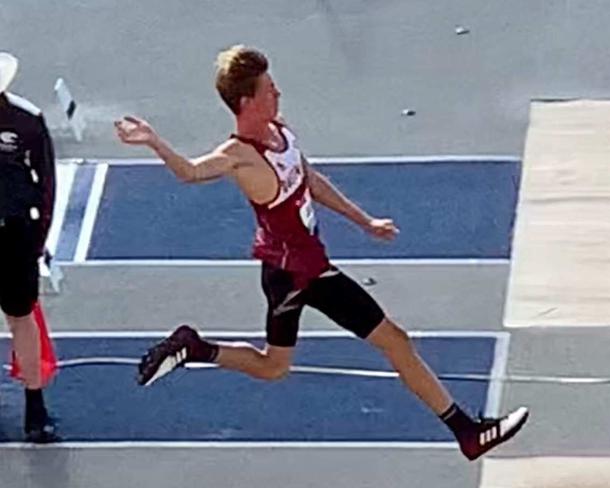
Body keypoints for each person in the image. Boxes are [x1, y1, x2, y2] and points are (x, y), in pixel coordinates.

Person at [114, 45, 528, 460]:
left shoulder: (280, 131)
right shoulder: (238, 156)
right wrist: (154, 141)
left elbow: (307, 179)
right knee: (394, 341)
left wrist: (363, 220)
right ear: (246, 101)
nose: (278, 95)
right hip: (293, 275)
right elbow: (190, 172)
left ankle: (195, 347)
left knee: (275, 367)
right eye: (269, 90)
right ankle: (467, 433)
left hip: (306, 268)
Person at [0, 52, 58, 443]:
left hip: (14, 233)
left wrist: (39, 238)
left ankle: (35, 406)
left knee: (22, 317)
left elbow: (47, 182)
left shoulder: (26, 121)